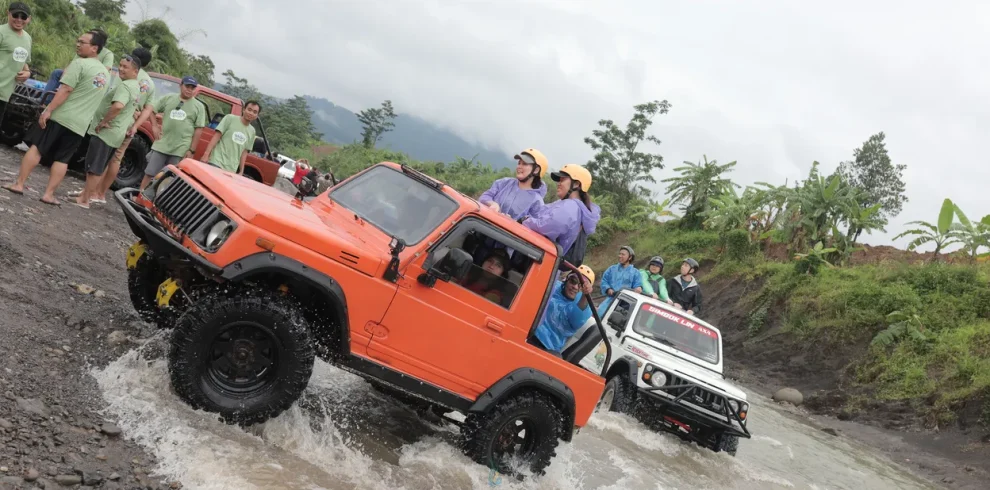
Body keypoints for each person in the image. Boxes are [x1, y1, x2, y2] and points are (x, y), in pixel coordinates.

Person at [2, 30, 110, 205]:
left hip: (61, 117)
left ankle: (19, 184)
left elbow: (65, 90)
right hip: (80, 125)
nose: (78, 44)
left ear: (94, 48)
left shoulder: (79, 64)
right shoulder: (105, 74)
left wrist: (48, 110)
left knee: (37, 148)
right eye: (78, 41)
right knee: (62, 159)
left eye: (82, 42)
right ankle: (48, 194)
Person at [89, 47, 156, 202]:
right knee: (117, 158)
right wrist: (135, 126)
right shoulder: (150, 84)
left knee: (104, 157)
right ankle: (101, 193)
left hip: (116, 120)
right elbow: (148, 109)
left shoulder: (128, 72)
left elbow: (119, 101)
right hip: (130, 124)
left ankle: (90, 192)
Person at [73, 55, 141, 208]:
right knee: (99, 166)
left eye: (126, 67)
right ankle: (85, 195)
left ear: (135, 71)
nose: (121, 69)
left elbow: (118, 106)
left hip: (106, 132)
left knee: (94, 167)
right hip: (116, 133)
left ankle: (84, 200)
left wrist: (104, 121)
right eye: (121, 66)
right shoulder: (136, 86)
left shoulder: (125, 86)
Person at [136, 75, 206, 189]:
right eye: (187, 86)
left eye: (192, 88)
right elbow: (152, 109)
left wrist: (191, 150)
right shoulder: (169, 98)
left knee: (169, 178)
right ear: (180, 86)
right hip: (162, 144)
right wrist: (154, 126)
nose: (189, 89)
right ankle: (140, 197)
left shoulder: (199, 107)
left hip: (180, 148)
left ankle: (157, 203)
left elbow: (199, 129)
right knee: (150, 172)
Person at [521, 164, 600, 264]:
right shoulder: (570, 205)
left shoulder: (570, 206)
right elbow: (540, 214)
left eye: (563, 180)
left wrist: (525, 220)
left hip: (538, 261)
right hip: (541, 260)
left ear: (576, 184)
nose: (559, 183)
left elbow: (545, 226)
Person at [532, 265, 596, 356]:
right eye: (573, 281)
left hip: (547, 348)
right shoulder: (554, 285)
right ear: (566, 280)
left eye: (581, 285)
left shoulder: (583, 305)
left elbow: (577, 319)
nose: (575, 287)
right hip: (528, 332)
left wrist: (585, 296)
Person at [42, 28, 113, 103]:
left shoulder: (107, 54)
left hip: (92, 79)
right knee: (57, 73)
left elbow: (104, 71)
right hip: (77, 74)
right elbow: (71, 66)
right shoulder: (83, 50)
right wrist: (64, 80)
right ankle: (45, 100)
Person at [478, 148, 548, 220]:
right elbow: (485, 196)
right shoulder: (503, 183)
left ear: (536, 170)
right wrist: (492, 203)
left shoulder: (537, 202)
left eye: (524, 164)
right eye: (519, 163)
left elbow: (533, 226)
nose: (519, 167)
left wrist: (514, 223)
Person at [199, 100, 260, 174]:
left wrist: (241, 170)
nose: (251, 113)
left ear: (257, 115)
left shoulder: (252, 131)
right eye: (249, 110)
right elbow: (216, 137)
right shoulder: (230, 118)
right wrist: (206, 155)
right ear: (244, 109)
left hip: (231, 169)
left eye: (254, 112)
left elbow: (244, 152)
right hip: (216, 162)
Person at [0, 2, 33, 122]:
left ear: (28, 19)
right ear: (8, 14)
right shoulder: (1, 32)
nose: (19, 19)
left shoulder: (27, 38)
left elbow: (24, 61)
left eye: (23, 17)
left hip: (5, 94)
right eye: (15, 15)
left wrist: (27, 72)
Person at [597, 245, 643, 316]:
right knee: (600, 313)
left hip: (625, 304)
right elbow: (604, 281)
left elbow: (637, 286)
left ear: (630, 257)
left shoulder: (635, 273)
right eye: (620, 254)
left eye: (623, 254)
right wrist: (608, 289)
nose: (620, 256)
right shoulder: (612, 269)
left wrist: (638, 288)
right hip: (611, 300)